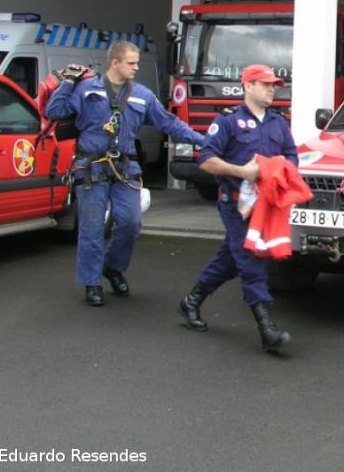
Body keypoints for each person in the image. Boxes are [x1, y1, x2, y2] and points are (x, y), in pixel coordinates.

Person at [46, 41, 205, 307]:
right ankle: (92, 282)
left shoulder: (142, 95)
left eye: (136, 62)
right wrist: (68, 83)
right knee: (92, 228)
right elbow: (54, 112)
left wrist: (204, 141)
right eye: (131, 63)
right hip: (91, 166)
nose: (136, 67)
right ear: (115, 63)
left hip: (125, 168)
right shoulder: (86, 90)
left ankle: (112, 268)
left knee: (131, 223)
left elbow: (170, 124)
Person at [177, 64, 298, 352]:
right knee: (251, 260)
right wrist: (242, 172)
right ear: (248, 86)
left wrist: (282, 170)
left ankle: (191, 301)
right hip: (235, 206)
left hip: (265, 206)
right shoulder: (228, 121)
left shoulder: (278, 122)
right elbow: (206, 159)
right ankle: (267, 330)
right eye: (266, 84)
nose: (272, 90)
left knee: (231, 259)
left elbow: (291, 154)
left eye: (273, 85)